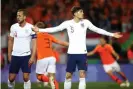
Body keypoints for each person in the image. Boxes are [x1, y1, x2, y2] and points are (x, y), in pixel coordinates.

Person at [32, 6, 122, 89]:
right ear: (75, 13)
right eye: (80, 11)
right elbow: (55, 29)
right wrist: (39, 30)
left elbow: (98, 29)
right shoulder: (67, 23)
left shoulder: (86, 22)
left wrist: (112, 34)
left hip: (82, 53)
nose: (83, 13)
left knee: (82, 75)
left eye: (82, 11)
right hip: (72, 53)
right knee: (68, 75)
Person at [8, 9, 36, 89]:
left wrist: (33, 56)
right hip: (15, 55)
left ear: (24, 17)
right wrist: (9, 55)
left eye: (20, 15)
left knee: (26, 78)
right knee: (11, 78)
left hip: (26, 56)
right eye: (17, 16)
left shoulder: (31, 27)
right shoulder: (13, 27)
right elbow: (10, 41)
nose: (18, 17)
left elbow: (34, 43)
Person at [35, 22, 68, 89]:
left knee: (39, 77)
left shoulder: (36, 36)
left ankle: (50, 81)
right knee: (52, 76)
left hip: (42, 58)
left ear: (38, 28)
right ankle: (54, 83)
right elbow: (60, 42)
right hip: (52, 58)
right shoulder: (49, 36)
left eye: (35, 27)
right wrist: (72, 44)